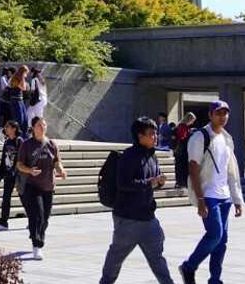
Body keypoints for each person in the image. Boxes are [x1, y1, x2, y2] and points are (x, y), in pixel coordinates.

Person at [100, 117, 175, 284]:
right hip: (128, 219)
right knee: (116, 256)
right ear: (140, 136)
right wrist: (151, 182)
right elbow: (124, 184)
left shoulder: (152, 156)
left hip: (148, 217)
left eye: (155, 133)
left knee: (157, 258)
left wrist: (158, 183)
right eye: (151, 134)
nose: (155, 136)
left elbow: (150, 184)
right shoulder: (129, 156)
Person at [178, 100, 244, 284]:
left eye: (225, 113)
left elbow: (231, 171)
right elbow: (193, 167)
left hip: (225, 197)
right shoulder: (200, 136)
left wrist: (237, 199)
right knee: (215, 235)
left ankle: (215, 279)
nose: (222, 117)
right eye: (218, 113)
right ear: (210, 115)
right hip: (208, 195)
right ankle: (189, 266)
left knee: (221, 242)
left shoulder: (227, 138)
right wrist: (200, 199)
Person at [17, 116, 68, 261]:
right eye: (39, 125)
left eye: (44, 125)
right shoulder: (27, 145)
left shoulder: (51, 144)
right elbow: (19, 165)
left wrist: (61, 170)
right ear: (33, 128)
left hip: (48, 186)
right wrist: (29, 170)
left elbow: (57, 162)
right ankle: (37, 245)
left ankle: (35, 233)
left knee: (45, 219)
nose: (43, 127)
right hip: (32, 186)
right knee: (37, 216)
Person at [0, 120, 22, 230]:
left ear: (14, 129)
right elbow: (3, 157)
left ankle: (33, 218)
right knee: (6, 197)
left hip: (18, 174)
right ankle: (3, 222)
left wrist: (17, 171)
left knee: (24, 197)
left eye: (8, 127)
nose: (5, 128)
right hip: (8, 174)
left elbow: (22, 158)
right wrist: (0, 172)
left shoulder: (19, 141)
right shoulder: (7, 142)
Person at [2, 65, 30, 138]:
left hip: (20, 100)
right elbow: (24, 88)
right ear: (23, 72)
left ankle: (24, 135)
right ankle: (18, 135)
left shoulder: (16, 77)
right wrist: (23, 78)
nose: (26, 75)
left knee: (25, 119)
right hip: (16, 101)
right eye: (26, 73)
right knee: (19, 119)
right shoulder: (16, 78)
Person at [173, 112, 196, 192]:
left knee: (181, 167)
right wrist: (190, 135)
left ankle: (180, 183)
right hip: (182, 150)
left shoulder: (181, 126)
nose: (192, 122)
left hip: (181, 150)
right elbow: (182, 138)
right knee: (182, 167)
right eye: (192, 120)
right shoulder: (183, 126)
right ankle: (181, 183)